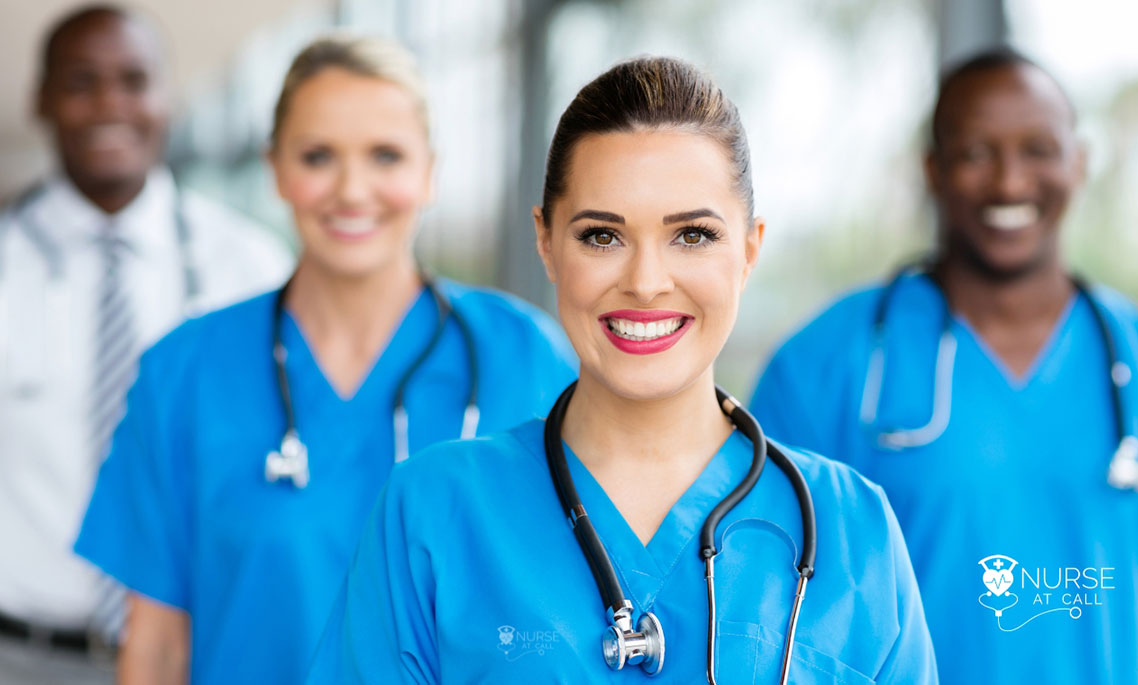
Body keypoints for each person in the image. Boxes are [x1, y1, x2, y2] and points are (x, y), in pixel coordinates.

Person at [307, 56, 937, 684]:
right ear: (547, 243)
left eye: (691, 236)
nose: (645, 283)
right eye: (602, 237)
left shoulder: (851, 527)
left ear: (749, 250)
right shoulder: (431, 513)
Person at [72, 33, 577, 685]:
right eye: (318, 156)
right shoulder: (185, 373)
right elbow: (158, 648)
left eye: (385, 155)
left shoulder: (525, 358)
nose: (351, 188)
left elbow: (576, 610)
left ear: (429, 171)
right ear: (275, 167)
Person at [749, 48, 1138, 684]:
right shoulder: (827, 367)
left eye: (1038, 149)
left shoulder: (1130, 349)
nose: (1010, 183)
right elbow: (758, 609)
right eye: (976, 153)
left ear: (1081, 161)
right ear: (933, 170)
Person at [0, 6, 291, 683]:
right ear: (41, 99)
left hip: (206, 652)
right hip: (23, 658)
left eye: (134, 80)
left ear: (168, 96)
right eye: (81, 81)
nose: (110, 103)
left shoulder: (250, 268)